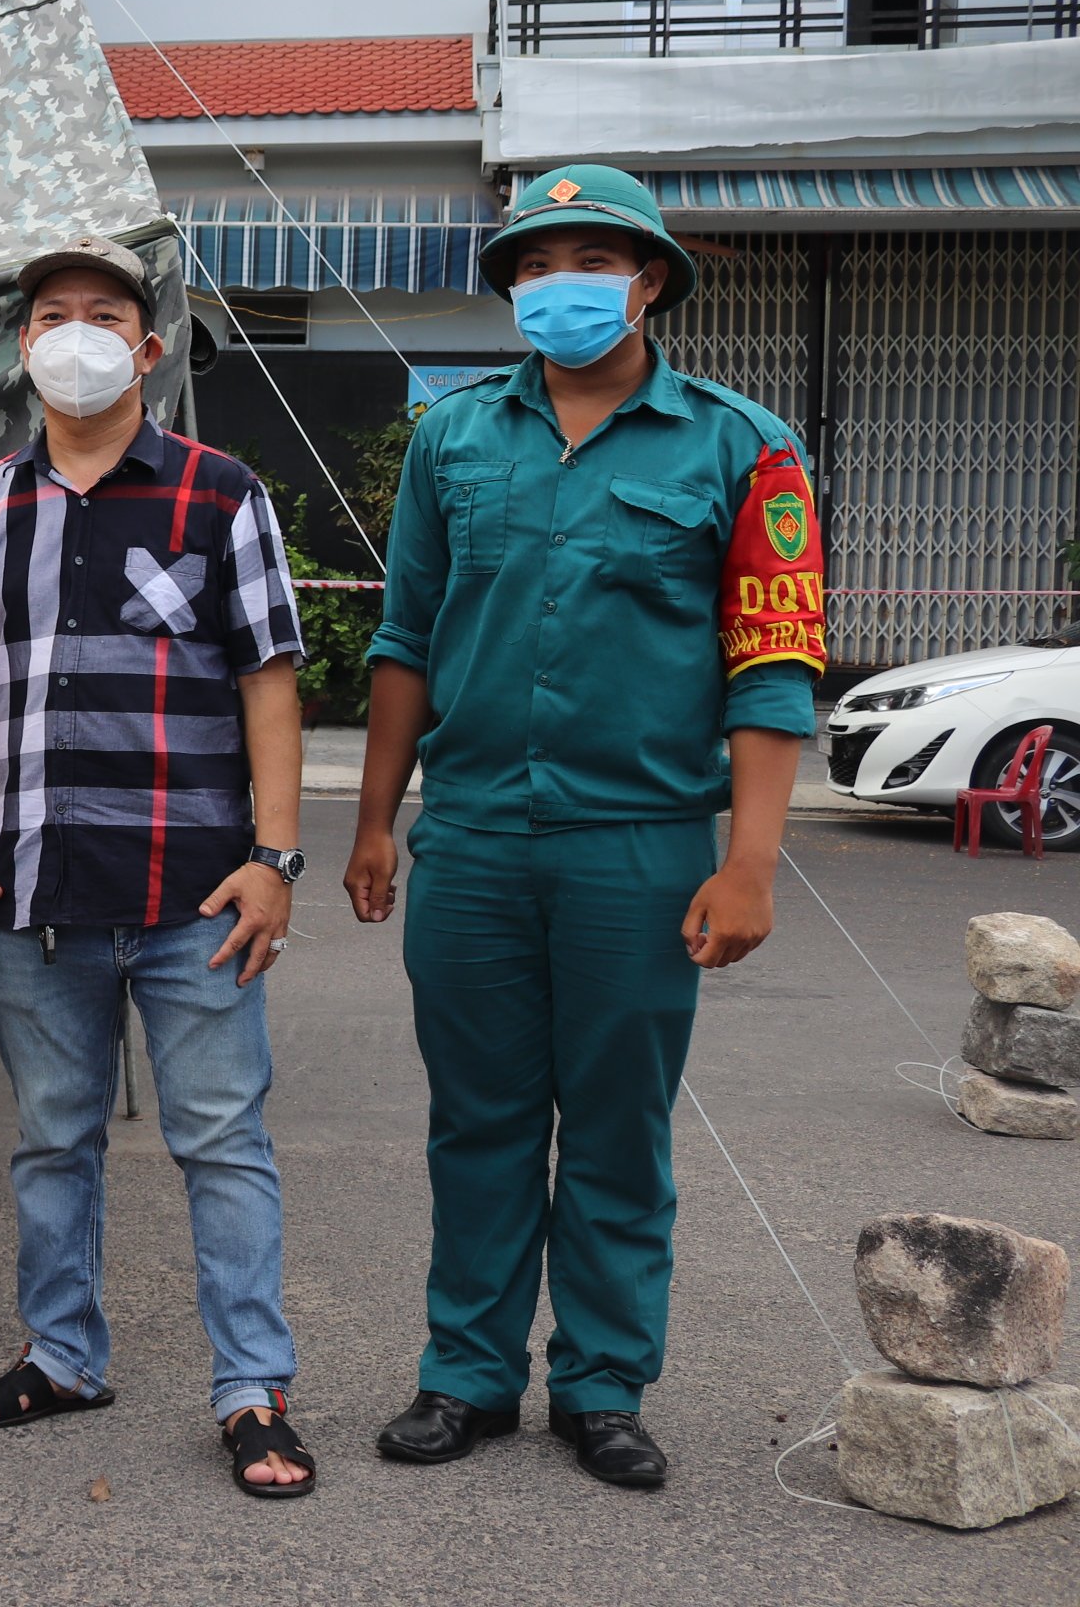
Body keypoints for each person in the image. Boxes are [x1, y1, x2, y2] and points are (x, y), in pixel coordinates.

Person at [347, 163, 823, 1491]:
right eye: (536, 266)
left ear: (650, 279)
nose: (560, 287)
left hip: (640, 841)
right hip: (479, 837)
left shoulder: (743, 446)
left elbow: (773, 665)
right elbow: (406, 642)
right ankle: (468, 1376)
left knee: (619, 1125)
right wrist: (377, 821)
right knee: (479, 1117)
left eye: (588, 262)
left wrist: (752, 860)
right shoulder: (452, 439)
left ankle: (604, 1386)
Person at [0, 236, 317, 1497]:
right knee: (51, 1140)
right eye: (51, 315)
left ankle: (252, 1388)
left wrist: (275, 856)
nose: (75, 333)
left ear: (147, 349)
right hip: (34, 888)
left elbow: (270, 681)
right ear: (23, 347)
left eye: (103, 315)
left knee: (222, 1140)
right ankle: (62, 1353)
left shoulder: (218, 491)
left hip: (199, 892)